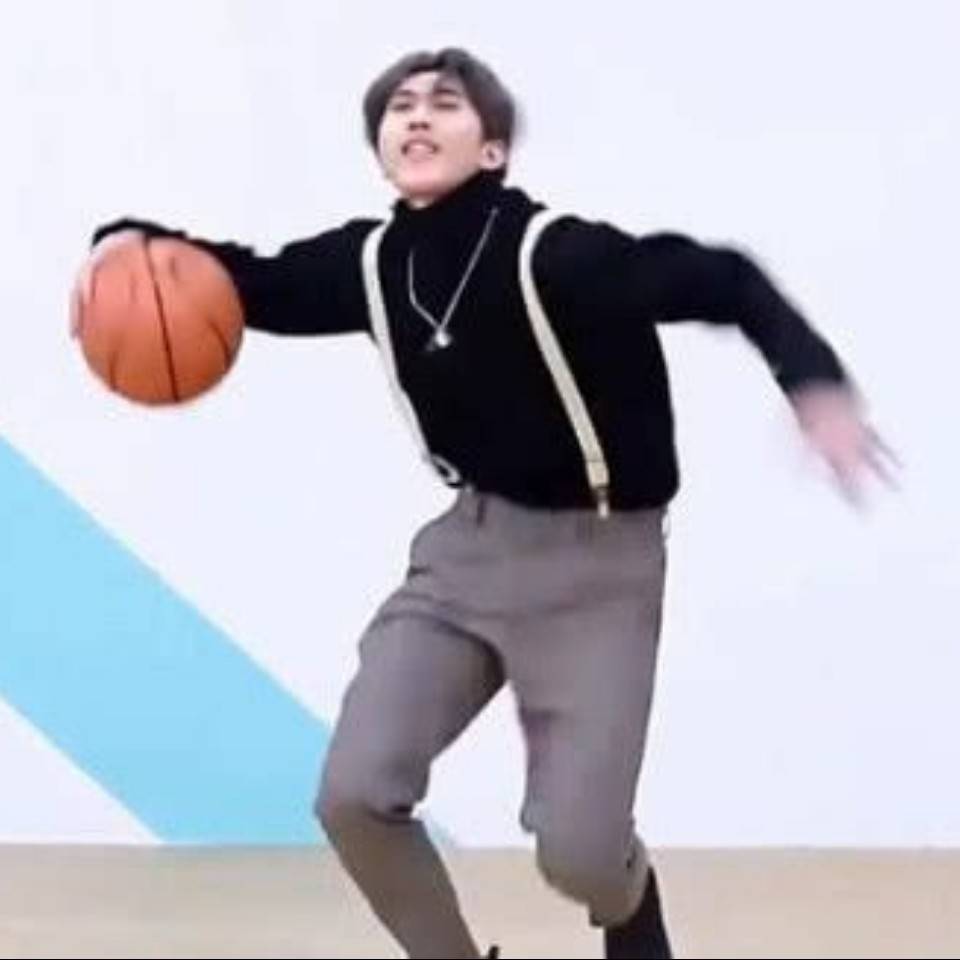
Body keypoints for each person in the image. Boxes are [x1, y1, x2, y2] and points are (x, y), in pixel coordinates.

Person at [72, 48, 893, 960]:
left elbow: (725, 279)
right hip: (466, 556)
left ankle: (630, 903)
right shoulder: (373, 263)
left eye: (445, 103)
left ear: (493, 148)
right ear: (382, 149)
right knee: (354, 795)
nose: (418, 116)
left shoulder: (560, 256)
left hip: (599, 567)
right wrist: (119, 242)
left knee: (581, 855)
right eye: (400, 108)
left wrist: (814, 384)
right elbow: (231, 278)